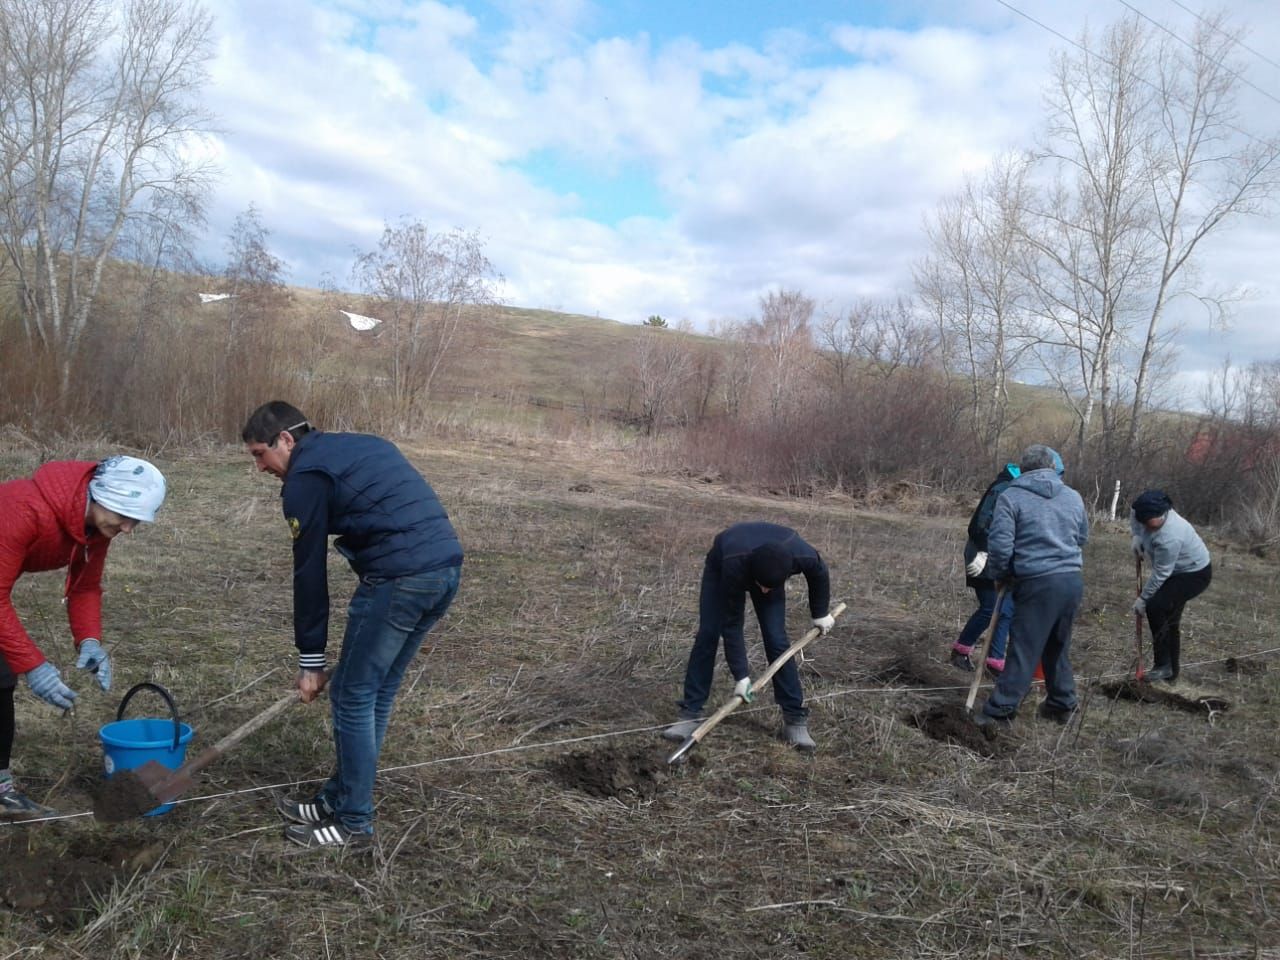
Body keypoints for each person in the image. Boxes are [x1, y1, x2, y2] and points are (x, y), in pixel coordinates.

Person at [242, 401, 463, 849]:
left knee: (352, 695)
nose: (260, 467)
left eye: (260, 454)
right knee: (373, 693)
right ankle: (338, 799)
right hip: (444, 571)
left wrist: (311, 661)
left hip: (400, 580)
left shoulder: (303, 478)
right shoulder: (360, 444)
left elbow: (309, 573)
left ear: (286, 439)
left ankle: (354, 824)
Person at [0, 455, 167, 818]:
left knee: (0, 680)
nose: (128, 529)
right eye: (125, 516)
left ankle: (0, 790)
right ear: (102, 495)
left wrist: (90, 640)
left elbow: (85, 587)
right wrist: (34, 665)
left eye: (136, 520)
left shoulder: (92, 527)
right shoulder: (23, 509)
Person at [661, 522, 834, 751]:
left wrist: (820, 614)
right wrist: (741, 676)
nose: (762, 593)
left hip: (766, 568)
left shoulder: (801, 555)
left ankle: (794, 718)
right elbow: (732, 625)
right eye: (760, 586)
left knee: (776, 639)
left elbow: (819, 573)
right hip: (724, 564)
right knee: (709, 633)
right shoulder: (734, 563)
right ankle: (690, 712)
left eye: (769, 588)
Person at [976, 444, 1087, 728]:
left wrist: (1001, 574)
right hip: (1071, 580)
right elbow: (1082, 536)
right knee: (1056, 644)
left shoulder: (1012, 496)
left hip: (1038, 581)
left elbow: (1000, 545)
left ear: (1023, 469)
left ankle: (1000, 710)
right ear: (1052, 467)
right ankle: (1062, 703)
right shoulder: (1073, 496)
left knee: (1024, 647)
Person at [1130, 489, 1212, 684]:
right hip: (1175, 572)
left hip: (1193, 573)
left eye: (1150, 525)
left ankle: (1163, 665)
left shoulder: (1171, 536)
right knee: (1169, 617)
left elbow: (1161, 574)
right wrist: (1136, 536)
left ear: (1163, 514)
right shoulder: (1140, 511)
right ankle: (1170, 672)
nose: (1147, 528)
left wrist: (1143, 599)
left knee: (1156, 606)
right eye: (1144, 523)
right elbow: (1134, 517)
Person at [950, 463, 1020, 675]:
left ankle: (995, 661)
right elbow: (980, 527)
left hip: (998, 556)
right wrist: (989, 554)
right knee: (991, 607)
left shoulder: (1014, 488)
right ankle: (961, 651)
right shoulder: (1004, 488)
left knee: (1005, 609)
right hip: (983, 555)